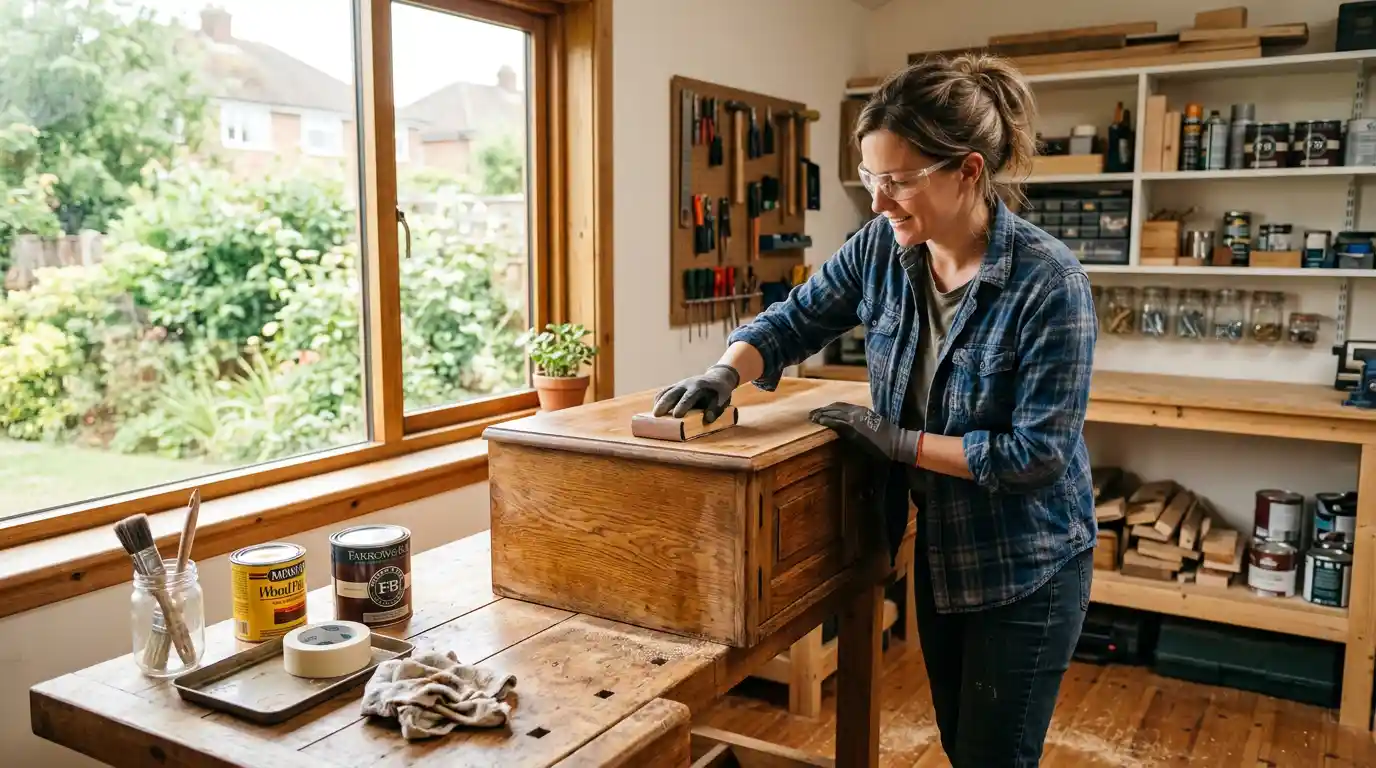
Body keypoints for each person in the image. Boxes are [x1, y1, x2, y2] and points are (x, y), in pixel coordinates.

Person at [652, 53, 1097, 767]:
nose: (879, 202)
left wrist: (900, 444)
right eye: (870, 180)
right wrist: (723, 373)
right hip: (946, 551)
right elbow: (795, 320)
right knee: (962, 746)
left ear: (969, 172)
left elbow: (1035, 456)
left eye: (898, 182)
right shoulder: (882, 251)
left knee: (996, 758)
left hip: (1029, 566)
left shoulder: (1049, 283)